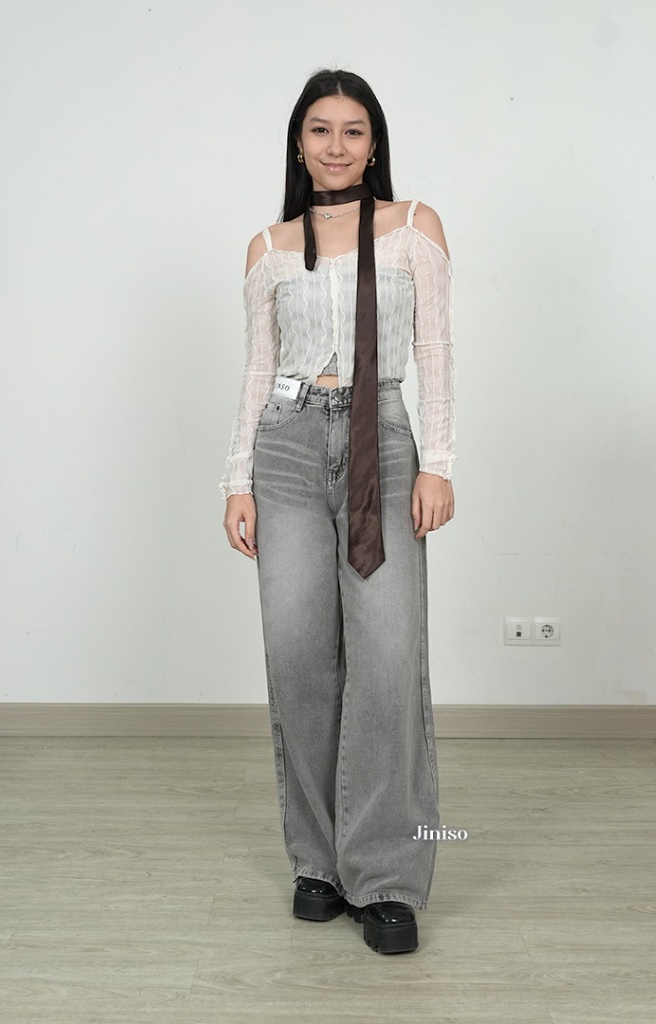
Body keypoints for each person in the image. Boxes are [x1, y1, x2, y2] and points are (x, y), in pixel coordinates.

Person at [221, 68, 455, 954]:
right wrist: (236, 481)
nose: (336, 146)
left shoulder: (414, 227)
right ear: (298, 142)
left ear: (374, 143)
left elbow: (435, 349)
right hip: (284, 446)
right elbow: (257, 367)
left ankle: (385, 876)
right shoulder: (268, 246)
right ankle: (318, 862)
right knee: (299, 658)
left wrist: (438, 464)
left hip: (381, 442)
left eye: (353, 131)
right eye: (320, 129)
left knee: (387, 661)